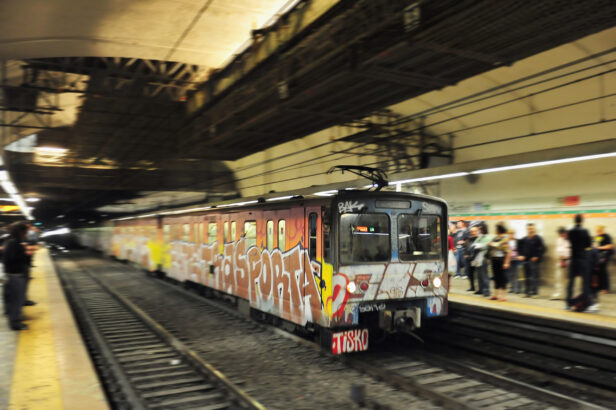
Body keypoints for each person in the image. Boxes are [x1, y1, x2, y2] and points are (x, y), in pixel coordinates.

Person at [3, 222, 33, 330]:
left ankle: (13, 319)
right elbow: (13, 259)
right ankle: (15, 323)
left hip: (12, 275)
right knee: (17, 300)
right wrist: (26, 253)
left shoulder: (12, 242)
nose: (26, 233)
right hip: (15, 276)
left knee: (13, 300)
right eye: (25, 231)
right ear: (21, 231)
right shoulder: (14, 243)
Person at [567, 214, 592, 311]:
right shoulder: (585, 231)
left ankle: (569, 302)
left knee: (571, 282)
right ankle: (584, 304)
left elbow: (570, 242)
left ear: (574, 221)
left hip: (573, 259)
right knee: (585, 282)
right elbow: (588, 245)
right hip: (582, 259)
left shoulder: (570, 231)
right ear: (582, 221)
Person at [518, 223, 545, 297]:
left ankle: (535, 292)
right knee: (526, 277)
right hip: (525, 260)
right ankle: (527, 292)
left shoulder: (538, 238)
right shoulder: (524, 239)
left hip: (534, 261)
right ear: (527, 229)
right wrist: (520, 255)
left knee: (534, 277)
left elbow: (543, 248)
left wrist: (537, 256)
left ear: (534, 229)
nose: (531, 230)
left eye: (532, 228)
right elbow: (519, 248)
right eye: (529, 229)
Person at [489, 223, 511, 301]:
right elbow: (491, 245)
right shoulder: (495, 238)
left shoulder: (505, 238)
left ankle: (504, 296)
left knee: (502, 278)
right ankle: (495, 295)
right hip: (494, 260)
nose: (495, 231)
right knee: (496, 278)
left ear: (499, 230)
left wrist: (506, 262)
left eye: (496, 229)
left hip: (502, 260)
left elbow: (508, 252)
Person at [552, 227, 570, 300]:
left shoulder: (570, 240)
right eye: (560, 234)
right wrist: (559, 257)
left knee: (567, 279)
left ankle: (567, 294)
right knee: (558, 278)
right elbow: (557, 250)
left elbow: (570, 251)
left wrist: (565, 257)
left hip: (568, 261)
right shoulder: (559, 240)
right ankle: (558, 294)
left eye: (562, 234)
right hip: (559, 262)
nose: (561, 235)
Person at [473, 224, 492, 297]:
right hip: (478, 257)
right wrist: (480, 245)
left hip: (484, 257)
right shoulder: (480, 237)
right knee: (478, 275)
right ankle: (480, 289)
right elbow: (474, 244)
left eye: (481, 229)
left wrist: (480, 245)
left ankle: (487, 290)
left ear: (484, 229)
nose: (480, 230)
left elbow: (486, 246)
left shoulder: (488, 237)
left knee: (484, 275)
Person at [593, 225, 613, 294]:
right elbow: (595, 245)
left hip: (605, 255)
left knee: (603, 270)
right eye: (597, 231)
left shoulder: (606, 236)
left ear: (602, 230)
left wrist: (599, 248)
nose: (598, 232)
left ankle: (605, 288)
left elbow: (610, 246)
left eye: (599, 231)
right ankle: (600, 287)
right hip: (598, 256)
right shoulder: (597, 237)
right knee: (598, 270)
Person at [464, 226, 479, 292]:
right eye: (471, 231)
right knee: (470, 274)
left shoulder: (479, 239)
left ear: (477, 231)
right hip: (469, 259)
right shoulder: (469, 239)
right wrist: (465, 254)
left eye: (474, 231)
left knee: (478, 275)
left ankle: (479, 289)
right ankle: (472, 287)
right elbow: (466, 247)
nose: (472, 233)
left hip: (476, 259)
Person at [506, 230, 521, 294]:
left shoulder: (517, 241)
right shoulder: (507, 241)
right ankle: (512, 287)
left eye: (512, 234)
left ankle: (518, 289)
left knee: (517, 274)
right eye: (510, 234)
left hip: (516, 259)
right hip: (510, 260)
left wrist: (519, 255)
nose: (511, 235)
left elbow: (520, 249)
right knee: (510, 274)